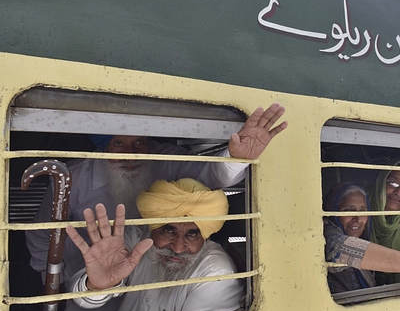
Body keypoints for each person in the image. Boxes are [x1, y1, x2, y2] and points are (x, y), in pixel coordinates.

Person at [27, 103, 287, 289]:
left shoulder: (166, 158)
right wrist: (53, 285)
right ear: (102, 145)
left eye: (139, 143)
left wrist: (237, 158)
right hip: (86, 278)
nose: (133, 154)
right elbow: (42, 234)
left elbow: (212, 176)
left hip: (153, 273)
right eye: (118, 144)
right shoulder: (74, 177)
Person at [57, 178, 243, 311]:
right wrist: (97, 286)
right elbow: (82, 300)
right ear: (152, 228)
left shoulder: (216, 273)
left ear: (205, 235)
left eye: (192, 234)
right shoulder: (133, 241)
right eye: (168, 230)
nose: (178, 248)